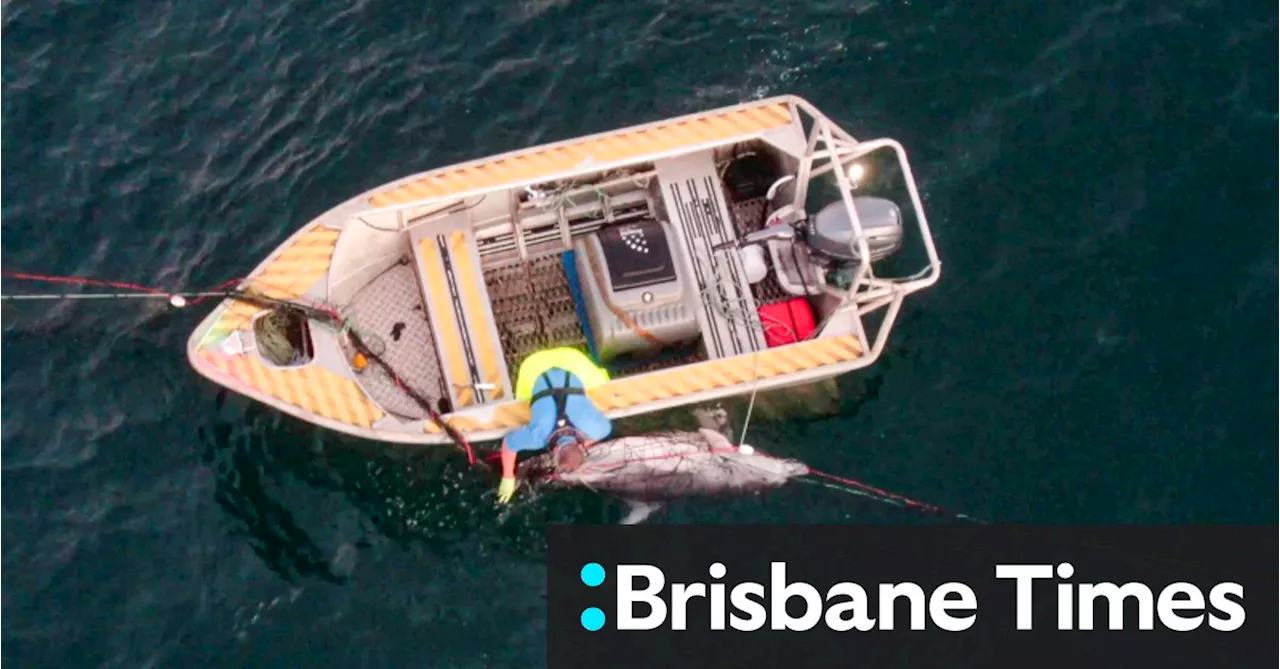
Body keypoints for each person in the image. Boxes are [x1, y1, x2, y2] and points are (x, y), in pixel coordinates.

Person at [497, 347, 612, 504]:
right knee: (522, 404)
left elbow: (607, 429)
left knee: (600, 386)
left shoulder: (596, 429)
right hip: (533, 366)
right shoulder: (538, 437)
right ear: (556, 450)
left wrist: (584, 443)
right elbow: (508, 443)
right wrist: (508, 477)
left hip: (572, 359)